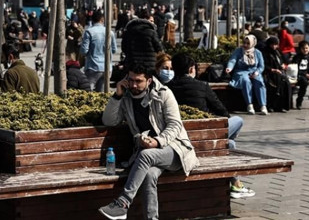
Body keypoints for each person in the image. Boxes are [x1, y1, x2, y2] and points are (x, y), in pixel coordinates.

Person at [98, 64, 199, 220]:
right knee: (149, 175)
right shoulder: (126, 98)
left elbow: (175, 125)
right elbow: (109, 121)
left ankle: (123, 203)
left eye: (138, 81)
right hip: (149, 154)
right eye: (130, 80)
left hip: (176, 150)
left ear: (149, 81)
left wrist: (158, 141)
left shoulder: (164, 94)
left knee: (146, 155)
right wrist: (117, 95)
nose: (133, 85)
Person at [167, 53, 254, 199]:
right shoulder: (201, 86)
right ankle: (236, 185)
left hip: (179, 140)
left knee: (230, 144)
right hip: (204, 138)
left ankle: (236, 184)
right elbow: (222, 111)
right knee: (238, 121)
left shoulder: (167, 88)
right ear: (191, 69)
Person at [225, 35, 268, 115]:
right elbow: (232, 60)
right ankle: (249, 105)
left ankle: (263, 106)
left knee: (259, 82)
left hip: (254, 71)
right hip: (241, 71)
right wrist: (229, 68)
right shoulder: (238, 51)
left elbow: (261, 66)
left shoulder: (257, 52)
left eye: (248, 43)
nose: (245, 45)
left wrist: (257, 72)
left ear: (252, 43)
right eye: (244, 42)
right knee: (246, 81)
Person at [80, 10, 117, 92]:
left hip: (92, 66)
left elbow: (83, 51)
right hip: (107, 67)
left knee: (88, 91)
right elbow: (114, 50)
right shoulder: (110, 32)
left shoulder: (89, 32)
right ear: (102, 19)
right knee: (102, 93)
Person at [122, 9, 162, 74]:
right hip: (149, 67)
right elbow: (159, 49)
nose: (153, 23)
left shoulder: (128, 31)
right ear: (146, 20)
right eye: (151, 21)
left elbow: (124, 48)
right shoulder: (151, 32)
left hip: (132, 65)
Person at [260, 36, 293, 112]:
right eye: (272, 44)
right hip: (269, 73)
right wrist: (272, 69)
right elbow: (263, 65)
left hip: (279, 73)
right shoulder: (264, 52)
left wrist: (284, 65)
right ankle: (271, 106)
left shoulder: (278, 52)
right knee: (274, 84)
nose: (274, 46)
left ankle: (282, 106)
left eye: (275, 44)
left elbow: (284, 60)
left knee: (286, 84)